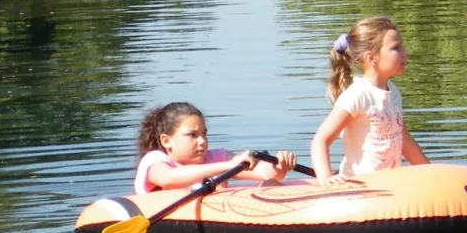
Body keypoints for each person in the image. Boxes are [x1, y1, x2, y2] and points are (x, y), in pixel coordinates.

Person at [310, 16, 430, 183]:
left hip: (389, 185)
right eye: (396, 48)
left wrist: (429, 172)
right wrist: (325, 178)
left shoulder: (392, 91)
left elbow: (405, 140)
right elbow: (321, 140)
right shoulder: (358, 95)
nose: (405, 52)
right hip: (363, 188)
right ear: (371, 57)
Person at [134, 101, 295, 195]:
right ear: (166, 141)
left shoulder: (216, 157)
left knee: (271, 184)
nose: (202, 141)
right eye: (192, 135)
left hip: (223, 217)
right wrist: (229, 166)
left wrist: (280, 166)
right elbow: (168, 179)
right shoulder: (155, 160)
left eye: (204, 134)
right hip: (176, 220)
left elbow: (265, 174)